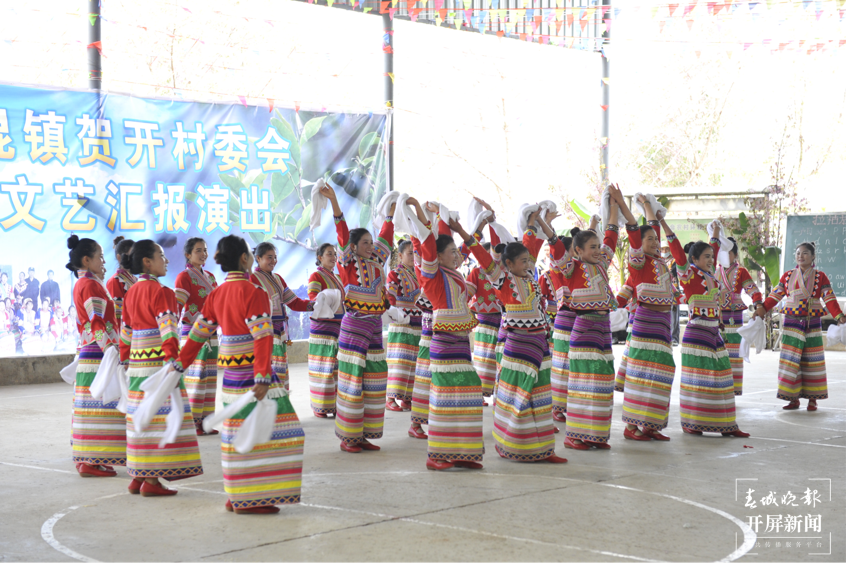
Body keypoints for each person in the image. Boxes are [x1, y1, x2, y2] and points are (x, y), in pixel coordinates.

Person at [177, 235, 305, 514]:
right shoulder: (254, 294)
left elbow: (197, 336)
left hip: (232, 376)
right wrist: (261, 377)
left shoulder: (216, 294)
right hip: (253, 376)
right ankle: (248, 497)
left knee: (238, 432)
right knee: (275, 432)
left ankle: (237, 493)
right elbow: (262, 337)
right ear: (246, 259)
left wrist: (178, 365)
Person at [471, 207, 567, 464]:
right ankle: (509, 445)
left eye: (528, 260)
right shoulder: (501, 281)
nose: (528, 264)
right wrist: (469, 231)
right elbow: (480, 254)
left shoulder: (531, 279)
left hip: (539, 345)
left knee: (540, 395)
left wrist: (534, 223)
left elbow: (530, 244)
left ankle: (545, 450)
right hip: (517, 344)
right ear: (508, 264)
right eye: (522, 261)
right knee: (517, 395)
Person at [120, 240, 203, 496]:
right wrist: (174, 362)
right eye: (161, 256)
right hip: (158, 365)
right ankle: (152, 483)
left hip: (136, 364)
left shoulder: (132, 291)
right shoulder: (162, 292)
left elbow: (126, 332)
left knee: (141, 419)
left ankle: (139, 476)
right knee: (161, 419)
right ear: (147, 262)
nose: (165, 260)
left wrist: (125, 359)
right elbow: (169, 330)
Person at [406, 199, 485, 470]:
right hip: (444, 343)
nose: (457, 254)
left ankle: (463, 452)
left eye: (456, 251)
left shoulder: (454, 274)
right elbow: (428, 244)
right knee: (445, 397)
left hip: (460, 342)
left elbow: (443, 241)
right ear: (437, 257)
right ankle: (436, 455)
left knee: (466, 393)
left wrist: (442, 216)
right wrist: (420, 212)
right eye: (451, 251)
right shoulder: (432, 276)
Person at [322, 183, 394, 453]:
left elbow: (386, 236)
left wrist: (391, 213)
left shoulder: (376, 260)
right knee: (352, 378)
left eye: (370, 243)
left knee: (373, 378)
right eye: (364, 243)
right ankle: (348, 437)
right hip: (354, 325)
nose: (369, 246)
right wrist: (335, 204)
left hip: (374, 326)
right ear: (353, 247)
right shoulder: (347, 262)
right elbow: (342, 233)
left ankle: (363, 434)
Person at [552, 185, 623, 450]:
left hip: (603, 328)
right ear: (578, 251)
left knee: (602, 379)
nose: (597, 250)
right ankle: (574, 436)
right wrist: (545, 227)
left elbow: (613, 234)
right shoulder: (571, 268)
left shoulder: (603, 262)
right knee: (584, 380)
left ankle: (595, 435)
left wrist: (614, 205)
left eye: (597, 246)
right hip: (584, 328)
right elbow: (557, 251)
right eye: (591, 247)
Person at [671, 228, 750, 437]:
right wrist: (660, 221)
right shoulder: (687, 275)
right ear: (694, 259)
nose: (711, 260)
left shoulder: (711, 276)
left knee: (723, 377)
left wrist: (715, 231)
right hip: (697, 334)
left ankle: (726, 424)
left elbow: (713, 246)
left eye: (712, 257)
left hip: (714, 333)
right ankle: (692, 423)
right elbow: (678, 252)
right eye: (706, 257)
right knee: (698, 380)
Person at [617, 195, 680, 442]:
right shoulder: (638, 262)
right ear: (638, 244)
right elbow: (624, 294)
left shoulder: (660, 262)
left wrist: (651, 210)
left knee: (662, 372)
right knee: (642, 373)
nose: (655, 242)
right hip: (645, 323)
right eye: (650, 239)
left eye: (656, 239)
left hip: (663, 325)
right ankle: (632, 427)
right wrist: (645, 207)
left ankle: (651, 425)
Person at [756, 242, 846, 411]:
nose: (800, 256)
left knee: (812, 361)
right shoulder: (788, 276)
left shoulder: (821, 277)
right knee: (790, 361)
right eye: (798, 253)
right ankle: (792, 398)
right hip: (791, 323)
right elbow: (775, 296)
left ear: (813, 257)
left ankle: (813, 399)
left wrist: (839, 315)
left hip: (811, 323)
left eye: (805, 253)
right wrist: (762, 309)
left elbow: (829, 298)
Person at [65, 235, 125, 478]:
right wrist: (112, 349)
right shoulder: (91, 285)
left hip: (91, 350)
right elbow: (97, 323)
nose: (103, 261)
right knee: (99, 406)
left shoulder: (86, 283)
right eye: (99, 256)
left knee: (92, 406)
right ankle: (91, 460)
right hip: (98, 351)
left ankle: (89, 459)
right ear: (86, 260)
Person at [251, 242, 314, 395]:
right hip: (262, 332)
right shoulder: (252, 278)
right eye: (269, 257)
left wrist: (314, 305)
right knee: (265, 369)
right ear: (258, 258)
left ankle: (279, 406)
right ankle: (266, 406)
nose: (273, 261)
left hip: (279, 332)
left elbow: (293, 302)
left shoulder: (278, 279)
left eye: (275, 257)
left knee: (279, 368)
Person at [174, 237, 219, 434]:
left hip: (212, 333)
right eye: (198, 250)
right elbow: (176, 307)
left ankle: (206, 422)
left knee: (210, 378)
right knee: (196, 377)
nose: (204, 254)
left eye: (205, 250)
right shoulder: (183, 277)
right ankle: (193, 422)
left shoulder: (210, 277)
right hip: (193, 332)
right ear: (188, 254)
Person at [716, 237, 763, 396]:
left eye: (728, 252)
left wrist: (758, 304)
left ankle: (732, 389)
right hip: (717, 315)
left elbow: (753, 290)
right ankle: (718, 387)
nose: (724, 255)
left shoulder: (741, 271)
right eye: (721, 251)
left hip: (734, 316)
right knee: (717, 350)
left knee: (734, 353)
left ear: (735, 254)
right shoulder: (714, 270)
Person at [307, 243, 345, 418]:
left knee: (335, 369)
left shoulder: (336, 277)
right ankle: (320, 407)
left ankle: (334, 405)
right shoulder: (316, 275)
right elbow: (314, 298)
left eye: (334, 254)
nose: (333, 257)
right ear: (320, 257)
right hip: (323, 329)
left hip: (338, 328)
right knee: (323, 368)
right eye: (329, 254)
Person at [385, 238, 423, 412]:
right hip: (402, 323)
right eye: (410, 253)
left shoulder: (419, 273)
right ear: (400, 256)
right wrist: (393, 311)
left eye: (416, 253)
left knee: (414, 363)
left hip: (418, 323)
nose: (414, 256)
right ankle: (391, 397)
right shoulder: (395, 274)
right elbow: (390, 296)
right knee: (399, 362)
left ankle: (407, 399)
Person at [106, 237, 137, 330]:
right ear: (119, 257)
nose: (136, 259)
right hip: (126, 335)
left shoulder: (136, 279)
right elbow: (117, 316)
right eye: (132, 255)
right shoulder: (115, 281)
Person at [660, 243, 681, 345]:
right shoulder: (659, 260)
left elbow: (675, 273)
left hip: (673, 290)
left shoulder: (674, 261)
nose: (664, 251)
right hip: (662, 291)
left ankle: (674, 338)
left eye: (666, 249)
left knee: (674, 316)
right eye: (662, 249)